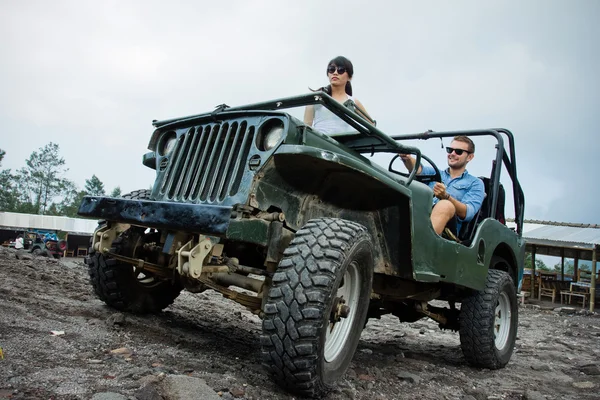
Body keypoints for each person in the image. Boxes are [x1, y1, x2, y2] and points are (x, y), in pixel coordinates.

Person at [400, 136, 485, 236]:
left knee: (445, 205)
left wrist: (446, 197)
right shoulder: (435, 173)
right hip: (420, 215)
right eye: (450, 150)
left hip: (447, 231)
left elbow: (467, 213)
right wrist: (407, 158)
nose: (452, 154)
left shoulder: (475, 183)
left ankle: (424, 242)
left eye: (458, 151)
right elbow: (418, 169)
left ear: (470, 157)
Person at [304, 56, 373, 135]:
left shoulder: (352, 102)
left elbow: (372, 125)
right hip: (320, 143)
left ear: (349, 77)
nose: (335, 73)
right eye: (331, 69)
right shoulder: (316, 98)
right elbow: (306, 127)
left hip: (342, 145)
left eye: (341, 70)